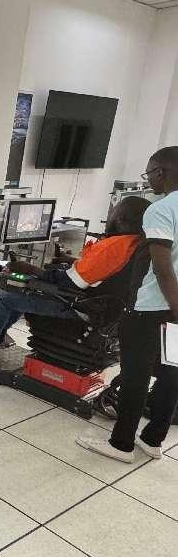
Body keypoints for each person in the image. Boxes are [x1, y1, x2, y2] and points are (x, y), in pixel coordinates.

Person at [78, 146, 178, 462]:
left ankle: (121, 444)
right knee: (172, 374)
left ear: (161, 172)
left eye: (149, 173)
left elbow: (161, 266)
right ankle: (153, 440)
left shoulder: (161, 209)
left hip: (150, 307)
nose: (148, 180)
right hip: (174, 307)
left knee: (136, 373)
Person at [0, 196, 151, 362]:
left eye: (113, 212)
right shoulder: (134, 243)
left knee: (2, 296)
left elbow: (69, 282)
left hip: (80, 307)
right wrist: (72, 261)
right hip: (102, 308)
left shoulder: (112, 247)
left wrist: (31, 269)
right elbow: (101, 273)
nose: (108, 216)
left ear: (121, 220)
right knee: (20, 291)